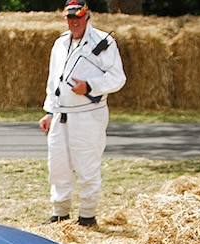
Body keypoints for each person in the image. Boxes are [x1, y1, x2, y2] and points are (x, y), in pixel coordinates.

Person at [38, 0, 125, 227]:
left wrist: (89, 86)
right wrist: (49, 111)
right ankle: (60, 213)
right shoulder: (59, 43)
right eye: (70, 18)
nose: (74, 22)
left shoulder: (104, 42)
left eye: (78, 17)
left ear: (87, 17)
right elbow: (52, 81)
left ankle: (87, 215)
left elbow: (118, 78)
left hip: (88, 114)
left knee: (87, 165)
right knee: (58, 165)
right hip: (60, 114)